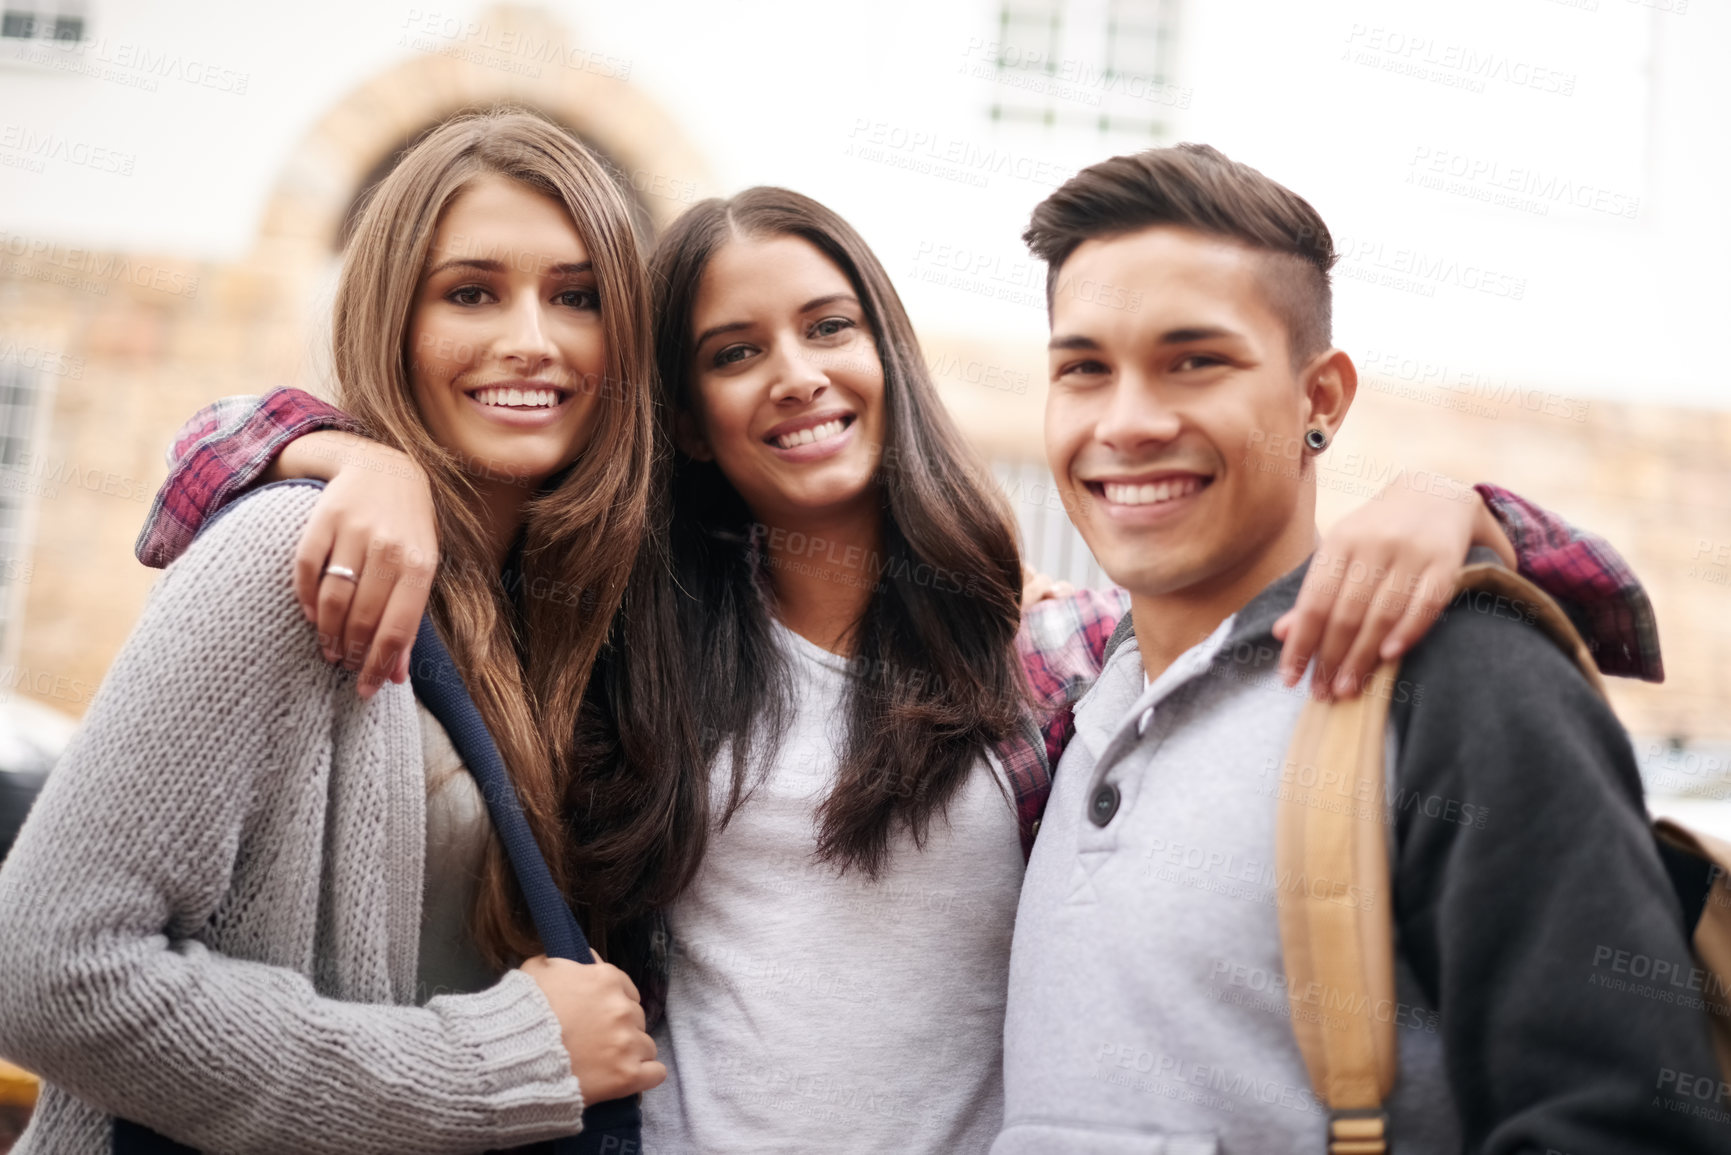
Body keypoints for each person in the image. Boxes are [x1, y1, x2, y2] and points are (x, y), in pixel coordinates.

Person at [135, 184, 1656, 1151]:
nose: (793, 373)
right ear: (684, 408)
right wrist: (348, 453)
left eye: (827, 324)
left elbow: (1466, 608)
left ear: (888, 353)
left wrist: (1463, 502)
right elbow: (198, 473)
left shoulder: (1049, 657)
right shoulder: (622, 647)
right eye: (732, 352)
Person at [992, 143, 1719, 1153]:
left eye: (1195, 360)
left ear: (1321, 401)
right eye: (1083, 369)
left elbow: (1624, 1125)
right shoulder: (1058, 698)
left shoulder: (1461, 678)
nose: (1128, 421)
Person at [0, 110, 667, 1153]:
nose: (530, 338)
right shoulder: (295, 556)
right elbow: (45, 969)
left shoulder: (582, 614)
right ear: (393, 319)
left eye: (576, 297)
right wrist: (502, 1063)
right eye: (471, 291)